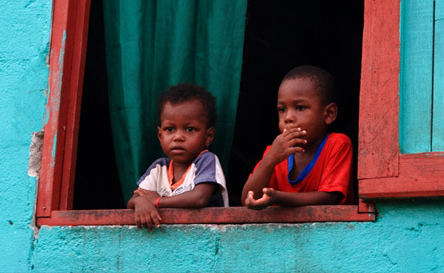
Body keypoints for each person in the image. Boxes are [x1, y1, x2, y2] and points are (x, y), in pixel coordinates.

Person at [241, 66, 353, 209]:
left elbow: (330, 197)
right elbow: (248, 199)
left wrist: (278, 197)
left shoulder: (337, 144)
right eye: (282, 109)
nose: (288, 118)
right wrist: (269, 160)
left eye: (300, 108)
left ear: (329, 114)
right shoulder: (275, 152)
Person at [128, 83, 229, 229]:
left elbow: (199, 198)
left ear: (209, 136)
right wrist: (140, 202)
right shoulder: (159, 167)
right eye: (170, 129)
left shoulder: (207, 161)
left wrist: (157, 201)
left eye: (189, 129)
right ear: (160, 135)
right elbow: (134, 198)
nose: (178, 137)